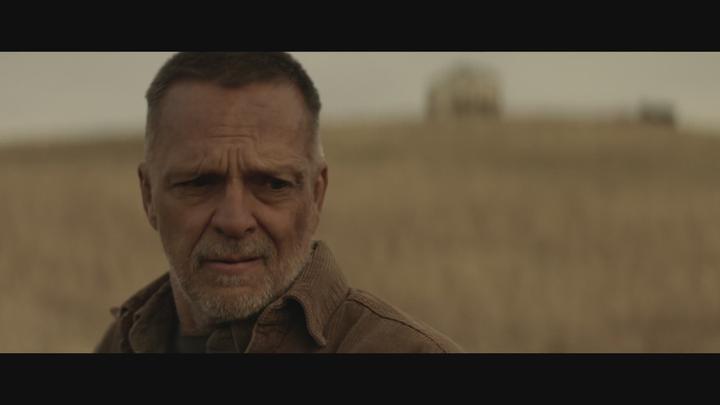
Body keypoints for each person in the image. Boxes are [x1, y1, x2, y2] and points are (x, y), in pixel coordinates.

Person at [95, 52, 463, 353]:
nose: (235, 221)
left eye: (273, 184)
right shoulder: (122, 343)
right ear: (148, 195)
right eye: (199, 183)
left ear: (316, 195)